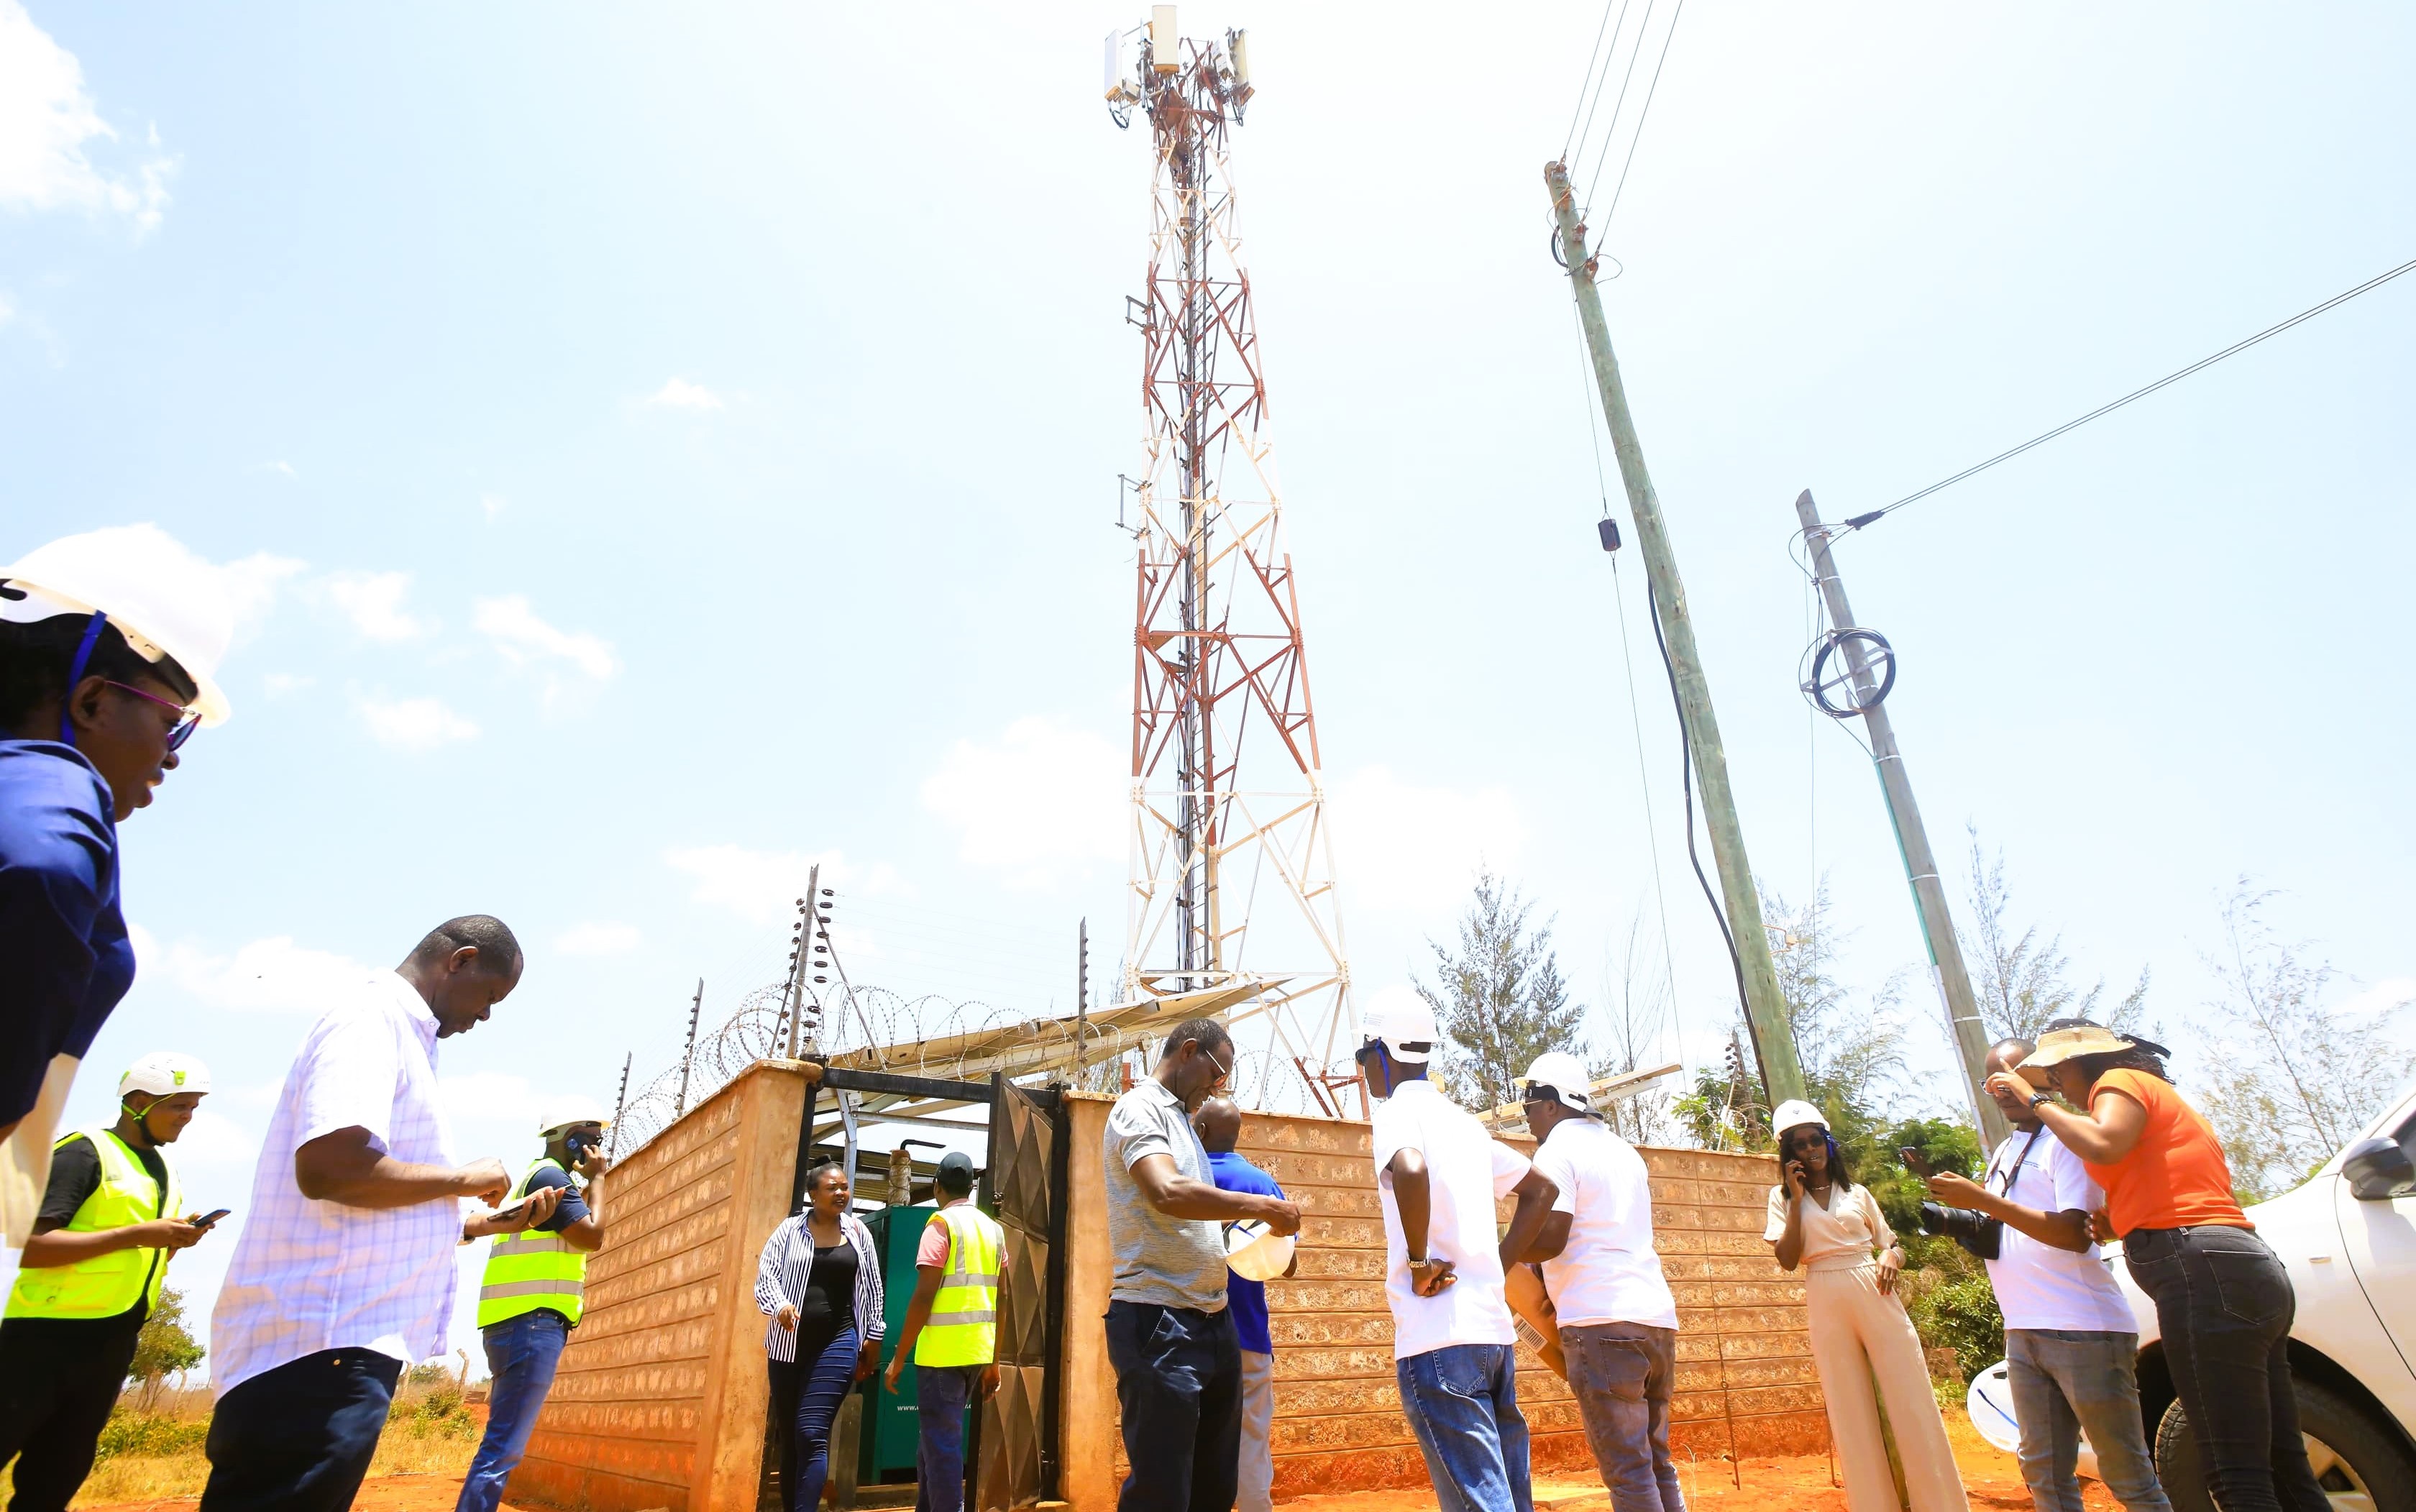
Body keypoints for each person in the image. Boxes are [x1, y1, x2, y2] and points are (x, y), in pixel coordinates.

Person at [203, 917, 545, 1512]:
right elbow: (330, 1168)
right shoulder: (371, 1019)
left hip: (333, 1347)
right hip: (316, 1349)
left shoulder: (406, 1037)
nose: (486, 1015)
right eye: (490, 995)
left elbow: (371, 1209)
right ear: (460, 960)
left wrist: (481, 1223)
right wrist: (463, 1177)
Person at [1, 526, 235, 1245]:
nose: (171, 754)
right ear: (94, 700)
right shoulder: (56, 795)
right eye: (172, 722)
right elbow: (40, 869)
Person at [2005, 1023, 2326, 1512]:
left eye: (2058, 1074)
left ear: (2079, 1063)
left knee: (2236, 1475)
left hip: (2201, 1275)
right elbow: (2173, 1184)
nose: (2058, 1087)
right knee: (2284, 1467)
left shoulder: (2118, 1081)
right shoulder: (2159, 1098)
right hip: (2243, 1267)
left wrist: (2035, 1101)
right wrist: (2119, 1219)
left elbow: (2104, 1143)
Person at [1921, 1038, 2170, 1512]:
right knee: (2043, 1472)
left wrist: (1983, 1200)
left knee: (2126, 1476)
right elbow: (2008, 1228)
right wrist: (1968, 1219)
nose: (2003, 1089)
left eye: (2012, 1077)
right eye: (1992, 1082)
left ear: (2042, 1076)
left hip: (2084, 1330)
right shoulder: (2005, 1151)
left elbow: (2076, 1234)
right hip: (2023, 1330)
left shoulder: (2068, 1142)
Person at [1358, 1001, 1561, 1512]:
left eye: (1363, 1056)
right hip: (1493, 1337)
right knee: (1510, 1499)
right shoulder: (1465, 1124)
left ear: (1382, 1052)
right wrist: (1497, 1264)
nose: (1363, 1068)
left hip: (1438, 1336)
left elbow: (1411, 1168)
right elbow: (1541, 1190)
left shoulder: (1396, 1113)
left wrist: (1420, 1262)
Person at [0, 1053, 218, 1512]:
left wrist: (174, 1240)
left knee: (56, 1476)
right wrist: (137, 1234)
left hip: (111, 1340)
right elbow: (30, 1246)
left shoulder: (162, 1167)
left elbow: (134, 1253)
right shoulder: (82, 1153)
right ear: (138, 1102)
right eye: (178, 1106)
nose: (188, 1117)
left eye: (193, 1107)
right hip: (43, 1337)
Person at [1100, 1017, 1300, 1512]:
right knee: (1163, 1492)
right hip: (1159, 1320)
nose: (1217, 1087)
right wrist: (1259, 1206)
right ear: (1188, 1051)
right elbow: (1166, 1191)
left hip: (1214, 1321)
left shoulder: (1185, 1125)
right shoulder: (1140, 1109)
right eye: (1216, 1074)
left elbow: (1195, 1217)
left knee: (1214, 1488)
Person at [1765, 1100, 1969, 1512]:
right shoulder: (1781, 1198)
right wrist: (1796, 1201)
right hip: (1823, 1289)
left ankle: (1942, 1504)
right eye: (1800, 1144)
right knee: (1849, 1408)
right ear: (1789, 1154)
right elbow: (1787, 1260)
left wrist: (1892, 1255)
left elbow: (1891, 1244)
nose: (1811, 1149)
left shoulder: (1857, 1193)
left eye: (1816, 1140)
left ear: (1828, 1142)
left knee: (1911, 1395)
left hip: (1874, 1286)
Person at [1513, 1052, 1683, 1512]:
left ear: (1551, 1104)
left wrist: (1501, 1256)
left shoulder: (1556, 1152)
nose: (1526, 1116)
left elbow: (1553, 1238)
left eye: (1529, 1104)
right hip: (1655, 1321)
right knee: (1657, 1463)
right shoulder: (1625, 1152)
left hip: (1601, 1324)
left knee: (1629, 1472)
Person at [455, 1101, 614, 1512]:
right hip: (531, 1323)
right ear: (570, 1138)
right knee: (503, 1447)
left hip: (517, 1322)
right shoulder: (551, 1178)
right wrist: (599, 1180)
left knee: (502, 1441)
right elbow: (592, 1236)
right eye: (592, 1138)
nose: (598, 1147)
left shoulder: (539, 1175)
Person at [1191, 1094, 1299, 1512]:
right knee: (1251, 1437)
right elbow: (1288, 1265)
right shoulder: (1263, 1186)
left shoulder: (1185, 1178)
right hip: (1248, 1334)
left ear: (1200, 1131)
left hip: (1190, 1334)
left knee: (1191, 1438)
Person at [756, 1161, 884, 1512]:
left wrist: (874, 1337)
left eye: (844, 1187)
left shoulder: (858, 1233)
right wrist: (780, 1307)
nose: (841, 1193)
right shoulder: (788, 1231)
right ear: (813, 1194)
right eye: (832, 1188)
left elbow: (873, 1286)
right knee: (792, 1441)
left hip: (838, 1343)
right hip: (787, 1349)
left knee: (811, 1432)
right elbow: (766, 1277)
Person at [882, 1150, 1005, 1512]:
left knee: (942, 1445)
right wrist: (994, 1361)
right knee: (932, 1444)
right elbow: (1003, 1298)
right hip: (976, 1353)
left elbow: (923, 1297)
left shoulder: (940, 1225)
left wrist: (899, 1357)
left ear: (937, 1186)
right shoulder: (994, 1230)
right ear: (971, 1188)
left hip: (942, 1357)